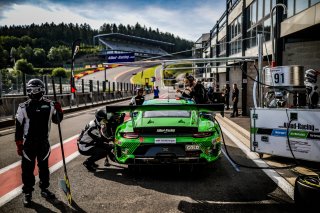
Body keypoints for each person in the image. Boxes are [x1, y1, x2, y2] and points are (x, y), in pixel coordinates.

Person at [15, 78, 63, 207]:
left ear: (41, 90)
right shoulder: (23, 106)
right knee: (27, 170)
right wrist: (19, 144)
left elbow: (57, 121)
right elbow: (18, 128)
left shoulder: (50, 105)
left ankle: (44, 189)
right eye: (29, 89)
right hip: (28, 143)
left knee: (44, 168)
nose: (31, 92)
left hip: (43, 143)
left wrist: (59, 110)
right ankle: (28, 193)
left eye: (34, 89)